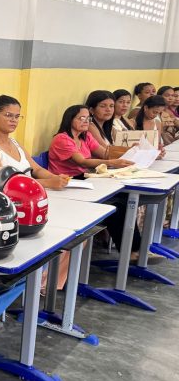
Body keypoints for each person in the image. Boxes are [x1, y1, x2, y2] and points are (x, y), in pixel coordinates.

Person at [0, 95, 72, 293]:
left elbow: (36, 169)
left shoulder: (16, 144)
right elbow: (7, 185)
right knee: (62, 235)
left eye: (17, 116)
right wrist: (49, 183)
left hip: (34, 201)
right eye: (8, 115)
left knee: (76, 233)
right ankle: (40, 282)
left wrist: (56, 178)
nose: (13, 120)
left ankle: (48, 280)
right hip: (11, 209)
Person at [48, 106, 162, 264]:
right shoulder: (62, 139)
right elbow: (82, 161)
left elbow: (105, 153)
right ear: (69, 119)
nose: (86, 122)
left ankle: (135, 250)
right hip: (69, 184)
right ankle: (132, 251)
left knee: (122, 201)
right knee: (116, 207)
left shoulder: (85, 136)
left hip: (86, 180)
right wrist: (112, 163)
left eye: (88, 118)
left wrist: (134, 150)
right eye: (81, 118)